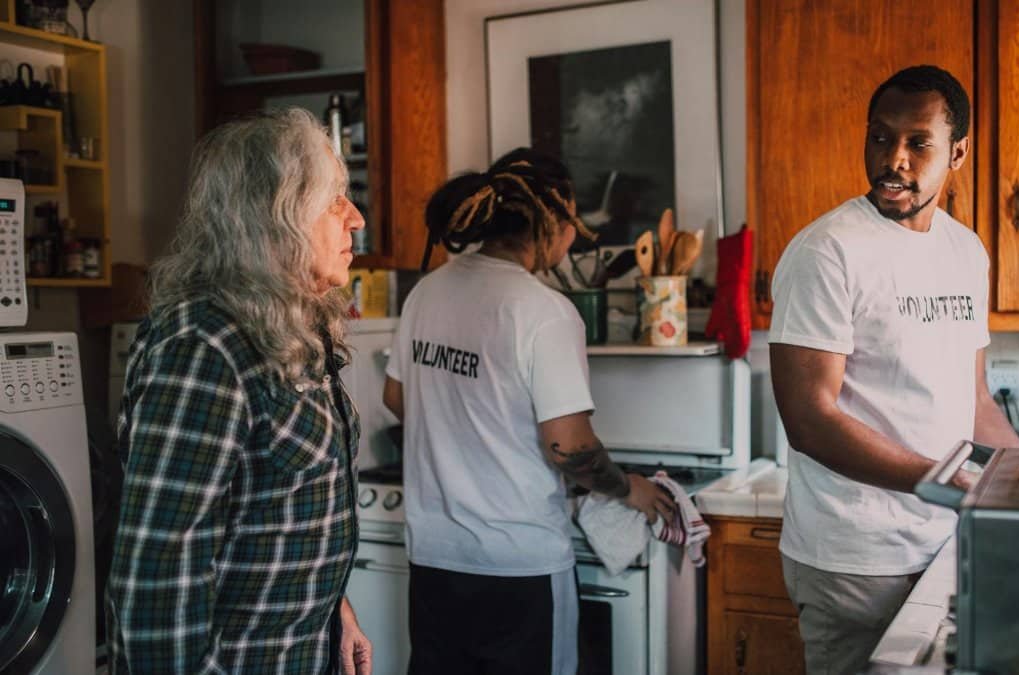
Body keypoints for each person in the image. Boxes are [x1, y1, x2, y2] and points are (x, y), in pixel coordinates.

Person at [768, 65, 1019, 674]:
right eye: (881, 138)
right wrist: (944, 480)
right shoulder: (828, 251)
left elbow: (976, 402)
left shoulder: (967, 251)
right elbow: (810, 419)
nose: (895, 160)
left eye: (918, 143)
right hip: (853, 558)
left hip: (940, 545)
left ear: (957, 152)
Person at [382, 148, 675, 675]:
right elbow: (568, 445)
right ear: (554, 216)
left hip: (433, 561)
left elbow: (397, 398)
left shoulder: (428, 293)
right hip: (518, 566)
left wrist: (465, 426)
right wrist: (631, 487)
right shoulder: (543, 311)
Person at [106, 108, 373, 674]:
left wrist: (335, 612)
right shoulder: (204, 345)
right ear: (276, 216)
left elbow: (277, 512)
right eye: (334, 201)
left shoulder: (293, 325)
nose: (356, 218)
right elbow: (155, 584)